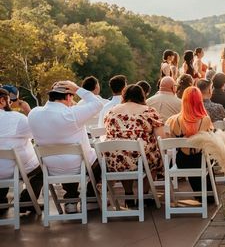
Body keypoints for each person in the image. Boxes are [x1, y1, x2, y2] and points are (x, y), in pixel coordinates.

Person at [28, 81, 104, 214]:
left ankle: (71, 201)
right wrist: (77, 89)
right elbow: (98, 104)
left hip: (50, 167)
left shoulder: (34, 113)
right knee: (102, 160)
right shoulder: (72, 114)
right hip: (78, 165)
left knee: (69, 160)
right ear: (69, 96)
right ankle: (91, 198)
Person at [103, 84, 165, 204]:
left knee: (122, 154)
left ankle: (129, 194)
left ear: (124, 96)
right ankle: (144, 195)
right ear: (142, 96)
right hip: (141, 159)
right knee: (156, 159)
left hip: (115, 160)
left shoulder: (111, 112)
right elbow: (161, 138)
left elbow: (108, 132)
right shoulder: (149, 111)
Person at [165, 87, 214, 201]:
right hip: (200, 161)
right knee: (206, 157)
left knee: (192, 157)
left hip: (182, 161)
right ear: (199, 101)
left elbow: (168, 140)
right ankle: (207, 194)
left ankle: (200, 193)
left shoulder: (172, 120)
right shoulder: (205, 119)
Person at [0, 89, 42, 214]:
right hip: (15, 169)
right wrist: (28, 111)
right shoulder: (16, 118)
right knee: (42, 169)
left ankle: (1, 203)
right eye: (9, 101)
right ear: (2, 101)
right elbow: (37, 132)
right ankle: (26, 202)